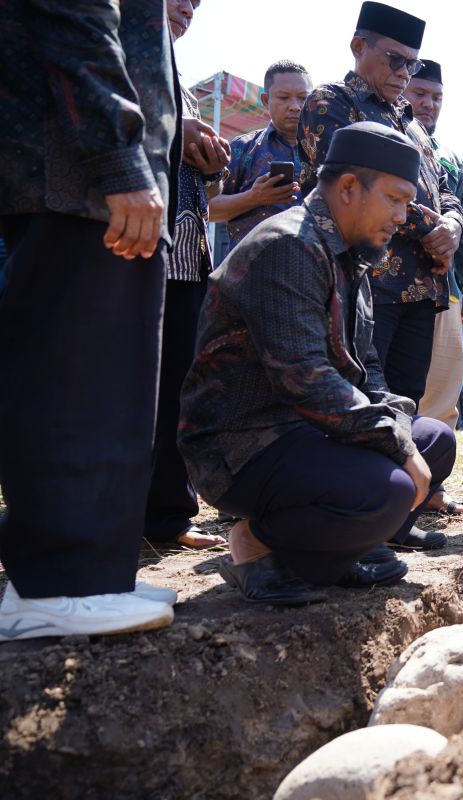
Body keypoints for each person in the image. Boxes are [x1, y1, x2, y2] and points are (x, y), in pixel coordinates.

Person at [178, 122, 458, 606]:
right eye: (394, 199)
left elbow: (364, 369)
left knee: (433, 440)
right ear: (348, 188)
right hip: (244, 445)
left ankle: (343, 547)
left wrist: (400, 427)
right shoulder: (287, 245)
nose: (402, 216)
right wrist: (394, 441)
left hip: (308, 432)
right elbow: (306, 378)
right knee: (388, 488)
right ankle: (256, 544)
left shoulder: (350, 257)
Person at [0, 0, 180, 638]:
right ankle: (54, 582)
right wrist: (118, 159)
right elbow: (74, 16)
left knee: (113, 391)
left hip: (93, 177)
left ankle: (95, 574)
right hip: (72, 175)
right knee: (75, 382)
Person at [298, 2, 463, 427]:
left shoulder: (411, 124)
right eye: (395, 59)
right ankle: (360, 492)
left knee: (406, 402)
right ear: (358, 46)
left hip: (422, 288)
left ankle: (406, 490)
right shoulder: (332, 102)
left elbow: (446, 190)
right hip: (362, 284)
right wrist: (432, 227)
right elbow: (350, 187)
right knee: (358, 400)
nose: (404, 73)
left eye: (412, 64)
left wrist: (452, 226)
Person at [143, 0, 231, 552]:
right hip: (139, 245)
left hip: (187, 259)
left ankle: (168, 516)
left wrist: (212, 161)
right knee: (141, 390)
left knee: (178, 388)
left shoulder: (184, 88)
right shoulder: (135, 60)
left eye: (196, 3)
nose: (186, 8)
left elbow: (212, 198)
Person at [404, 58, 463, 515]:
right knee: (396, 385)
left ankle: (432, 486)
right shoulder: (386, 139)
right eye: (419, 94)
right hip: (389, 285)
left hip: (445, 288)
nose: (428, 104)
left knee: (443, 389)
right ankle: (392, 484)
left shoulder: (450, 158)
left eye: (435, 97)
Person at [209, 60, 311, 250]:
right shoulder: (241, 149)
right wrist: (253, 198)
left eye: (303, 98)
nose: (295, 106)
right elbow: (206, 208)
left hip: (316, 274)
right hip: (250, 274)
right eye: (284, 97)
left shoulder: (327, 152)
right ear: (266, 101)